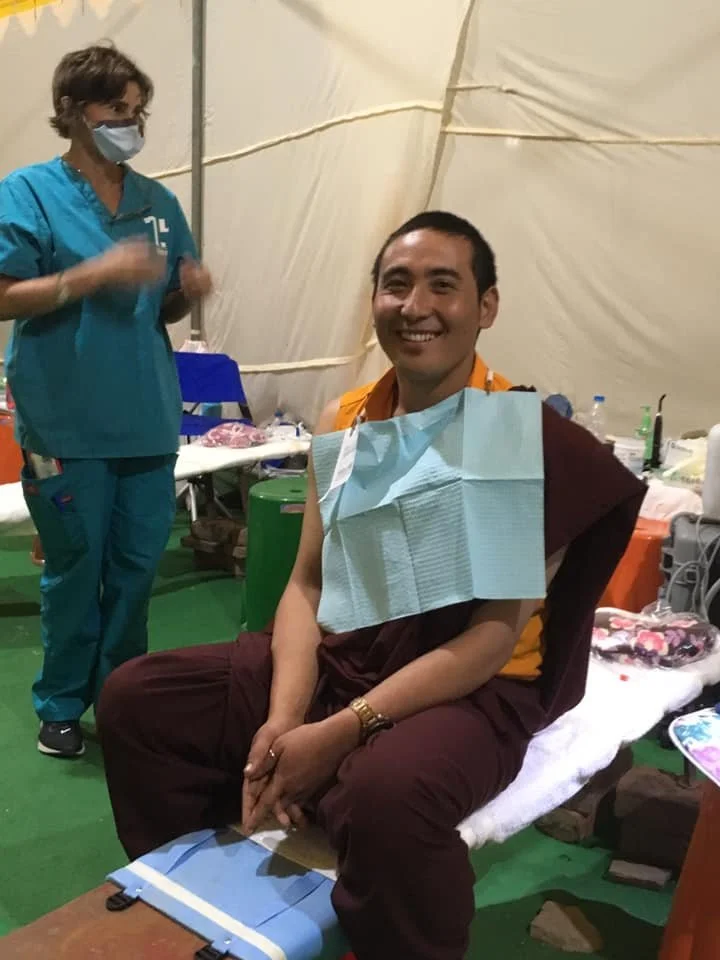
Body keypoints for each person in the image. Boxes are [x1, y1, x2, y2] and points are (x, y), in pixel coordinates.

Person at [98, 211, 644, 960]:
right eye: (396, 284)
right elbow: (306, 588)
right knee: (140, 698)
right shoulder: (346, 420)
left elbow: (487, 641)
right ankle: (209, 909)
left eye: (442, 286)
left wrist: (339, 731)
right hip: (347, 654)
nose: (415, 306)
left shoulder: (510, 437)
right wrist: (286, 720)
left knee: (386, 795)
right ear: (375, 300)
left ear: (485, 307)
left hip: (472, 690)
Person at [0, 43, 212, 758]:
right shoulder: (28, 193)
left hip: (147, 420)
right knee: (73, 572)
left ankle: (125, 699)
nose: (130, 121)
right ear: (72, 112)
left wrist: (189, 290)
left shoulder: (159, 203)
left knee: (135, 570)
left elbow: (166, 308)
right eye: (115, 108)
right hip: (65, 424)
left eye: (136, 109)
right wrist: (89, 275)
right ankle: (60, 704)